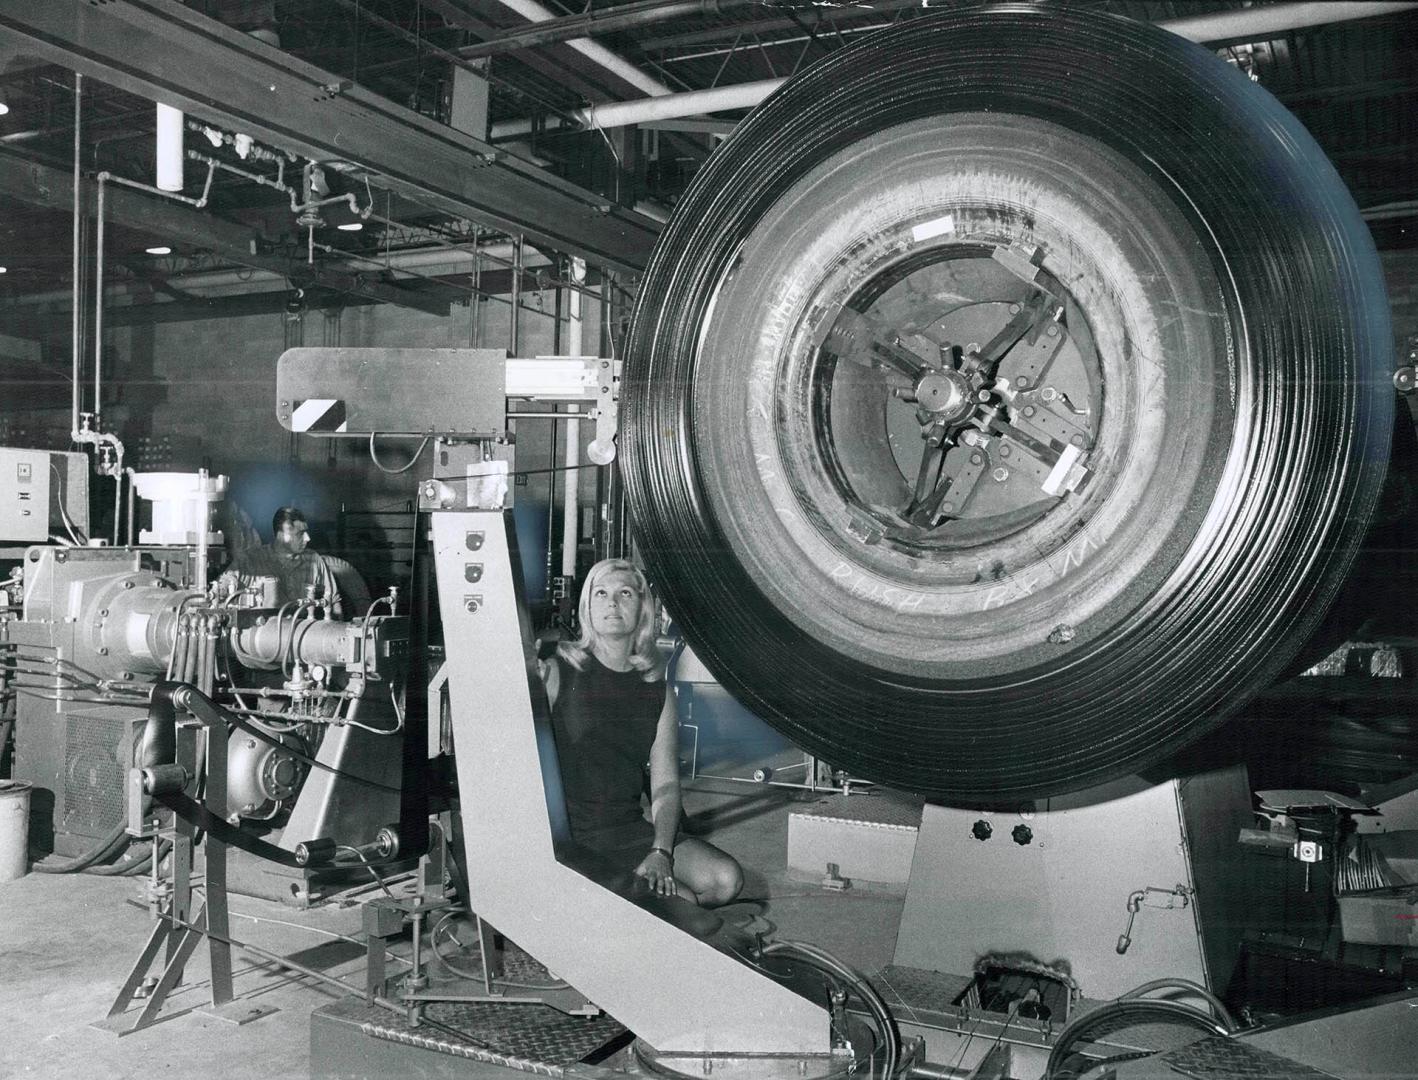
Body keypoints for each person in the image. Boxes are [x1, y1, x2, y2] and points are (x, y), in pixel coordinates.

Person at [542, 558, 742, 907]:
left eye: (625, 594)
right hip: (573, 836)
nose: (612, 603)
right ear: (588, 606)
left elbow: (664, 786)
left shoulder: (655, 689)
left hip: (626, 829)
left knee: (725, 880)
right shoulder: (560, 671)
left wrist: (661, 851)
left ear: (643, 610)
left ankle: (622, 909)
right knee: (682, 902)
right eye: (601, 593)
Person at [227, 506, 343, 617]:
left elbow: (334, 602)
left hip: (302, 631)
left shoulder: (313, 559)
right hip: (264, 631)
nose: (308, 538)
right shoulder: (251, 560)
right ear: (281, 536)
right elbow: (221, 593)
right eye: (300, 534)